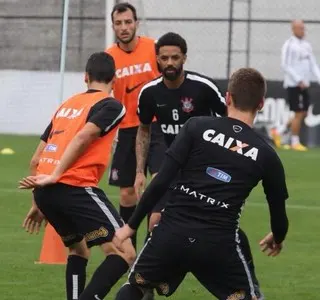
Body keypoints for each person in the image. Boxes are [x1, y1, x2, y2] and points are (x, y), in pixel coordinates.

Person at [114, 68, 289, 300]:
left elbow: (161, 181)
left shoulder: (196, 127)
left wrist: (131, 225)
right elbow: (278, 214)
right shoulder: (267, 154)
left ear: (228, 98)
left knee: (135, 286)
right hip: (218, 243)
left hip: (171, 232)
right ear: (261, 104)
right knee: (248, 296)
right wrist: (277, 236)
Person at [134, 32, 262, 298]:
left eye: (175, 57)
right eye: (164, 58)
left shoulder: (203, 88)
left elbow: (232, 123)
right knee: (156, 223)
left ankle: (175, 275)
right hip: (170, 168)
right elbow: (144, 131)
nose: (170, 62)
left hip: (202, 173)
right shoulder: (149, 93)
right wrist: (138, 171)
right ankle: (152, 281)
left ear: (184, 58)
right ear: (157, 59)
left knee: (212, 229)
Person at [19, 52, 136, 300]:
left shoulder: (66, 105)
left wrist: (37, 201)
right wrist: (57, 175)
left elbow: (35, 160)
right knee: (125, 252)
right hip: (74, 187)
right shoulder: (111, 105)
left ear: (85, 77)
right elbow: (84, 137)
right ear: (113, 79)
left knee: (78, 249)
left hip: (45, 192)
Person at [105, 2, 166, 249]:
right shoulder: (109, 57)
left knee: (160, 185)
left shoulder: (153, 48)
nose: (124, 27)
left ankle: (153, 255)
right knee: (127, 194)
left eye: (128, 22)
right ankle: (130, 253)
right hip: (128, 130)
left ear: (136, 23)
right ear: (113, 26)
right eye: (119, 23)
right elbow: (104, 93)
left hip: (157, 127)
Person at [277, 19, 320, 150]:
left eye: (303, 28)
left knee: (304, 113)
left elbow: (313, 64)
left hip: (304, 85)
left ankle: (279, 132)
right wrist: (298, 79)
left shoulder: (306, 45)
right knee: (298, 113)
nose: (303, 30)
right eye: (300, 28)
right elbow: (285, 65)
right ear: (293, 29)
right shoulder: (289, 45)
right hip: (294, 85)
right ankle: (295, 142)